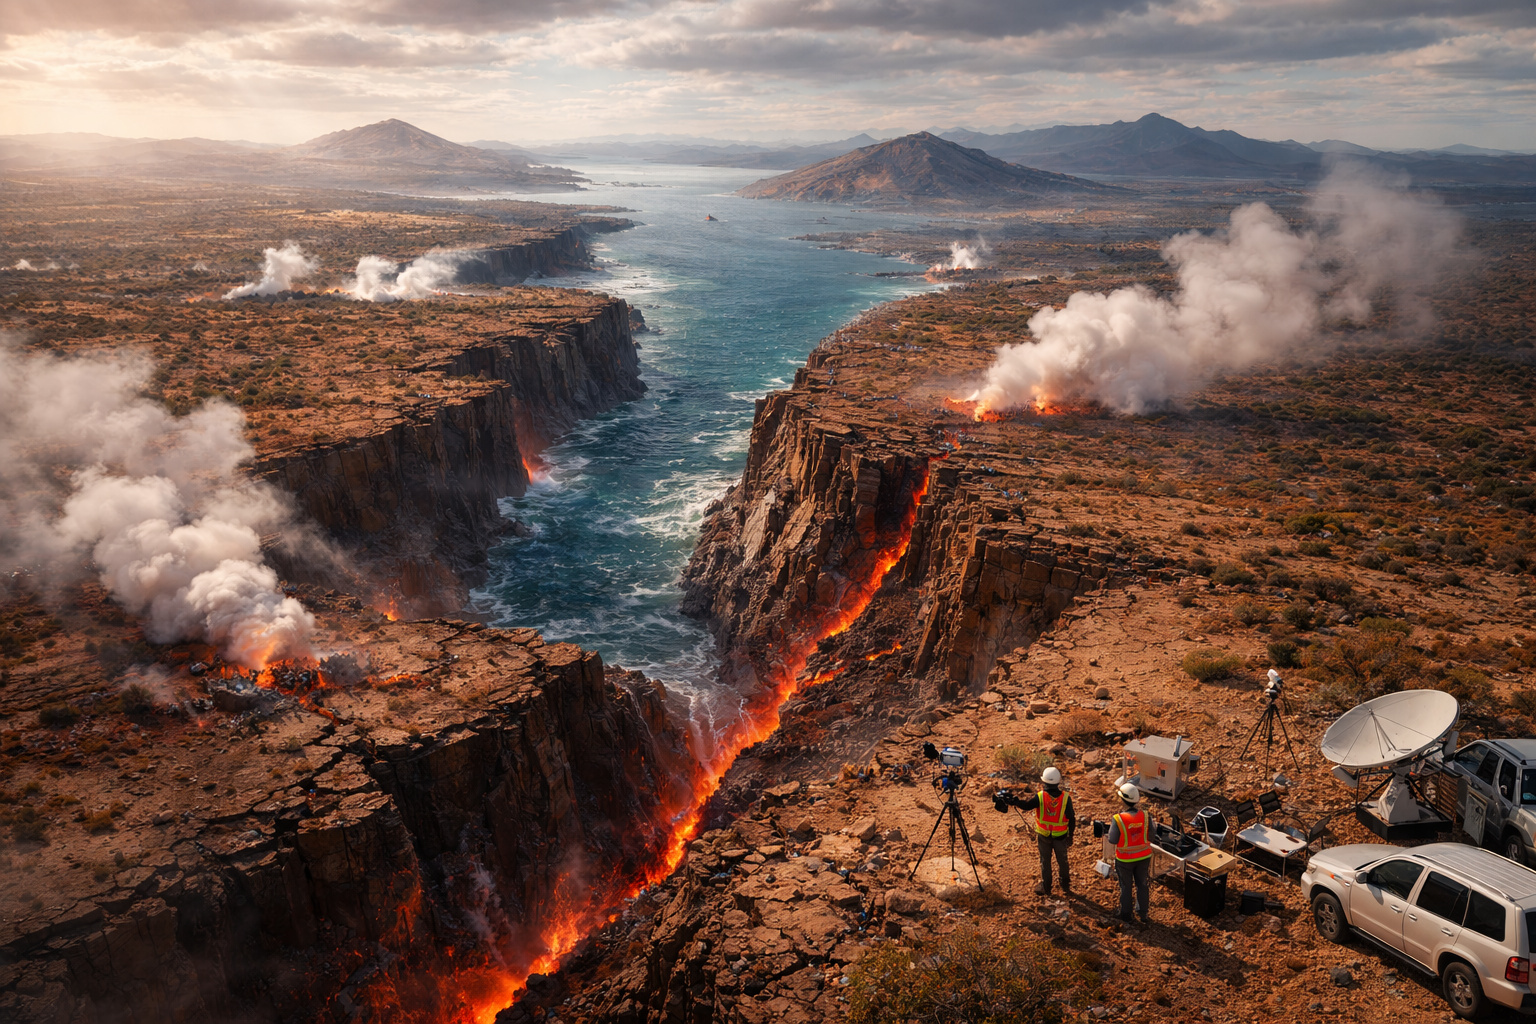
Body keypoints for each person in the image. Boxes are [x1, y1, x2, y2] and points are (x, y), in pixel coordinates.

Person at [1010, 766, 1076, 895]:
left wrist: (1015, 801)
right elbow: (1071, 818)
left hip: (1044, 836)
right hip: (1061, 837)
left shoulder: (1040, 797)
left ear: (1044, 782)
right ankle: (1065, 885)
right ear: (1058, 782)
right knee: (1062, 861)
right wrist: (1071, 836)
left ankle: (1046, 886)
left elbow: (1027, 806)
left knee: (1045, 862)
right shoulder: (1065, 798)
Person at [1107, 782, 1153, 924]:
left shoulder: (1118, 819)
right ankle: (1143, 914)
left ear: (1122, 800)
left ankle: (1126, 914)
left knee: (1126, 886)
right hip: (1144, 857)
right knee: (1142, 885)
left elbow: (1113, 840)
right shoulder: (1146, 816)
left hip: (1125, 860)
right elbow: (1151, 837)